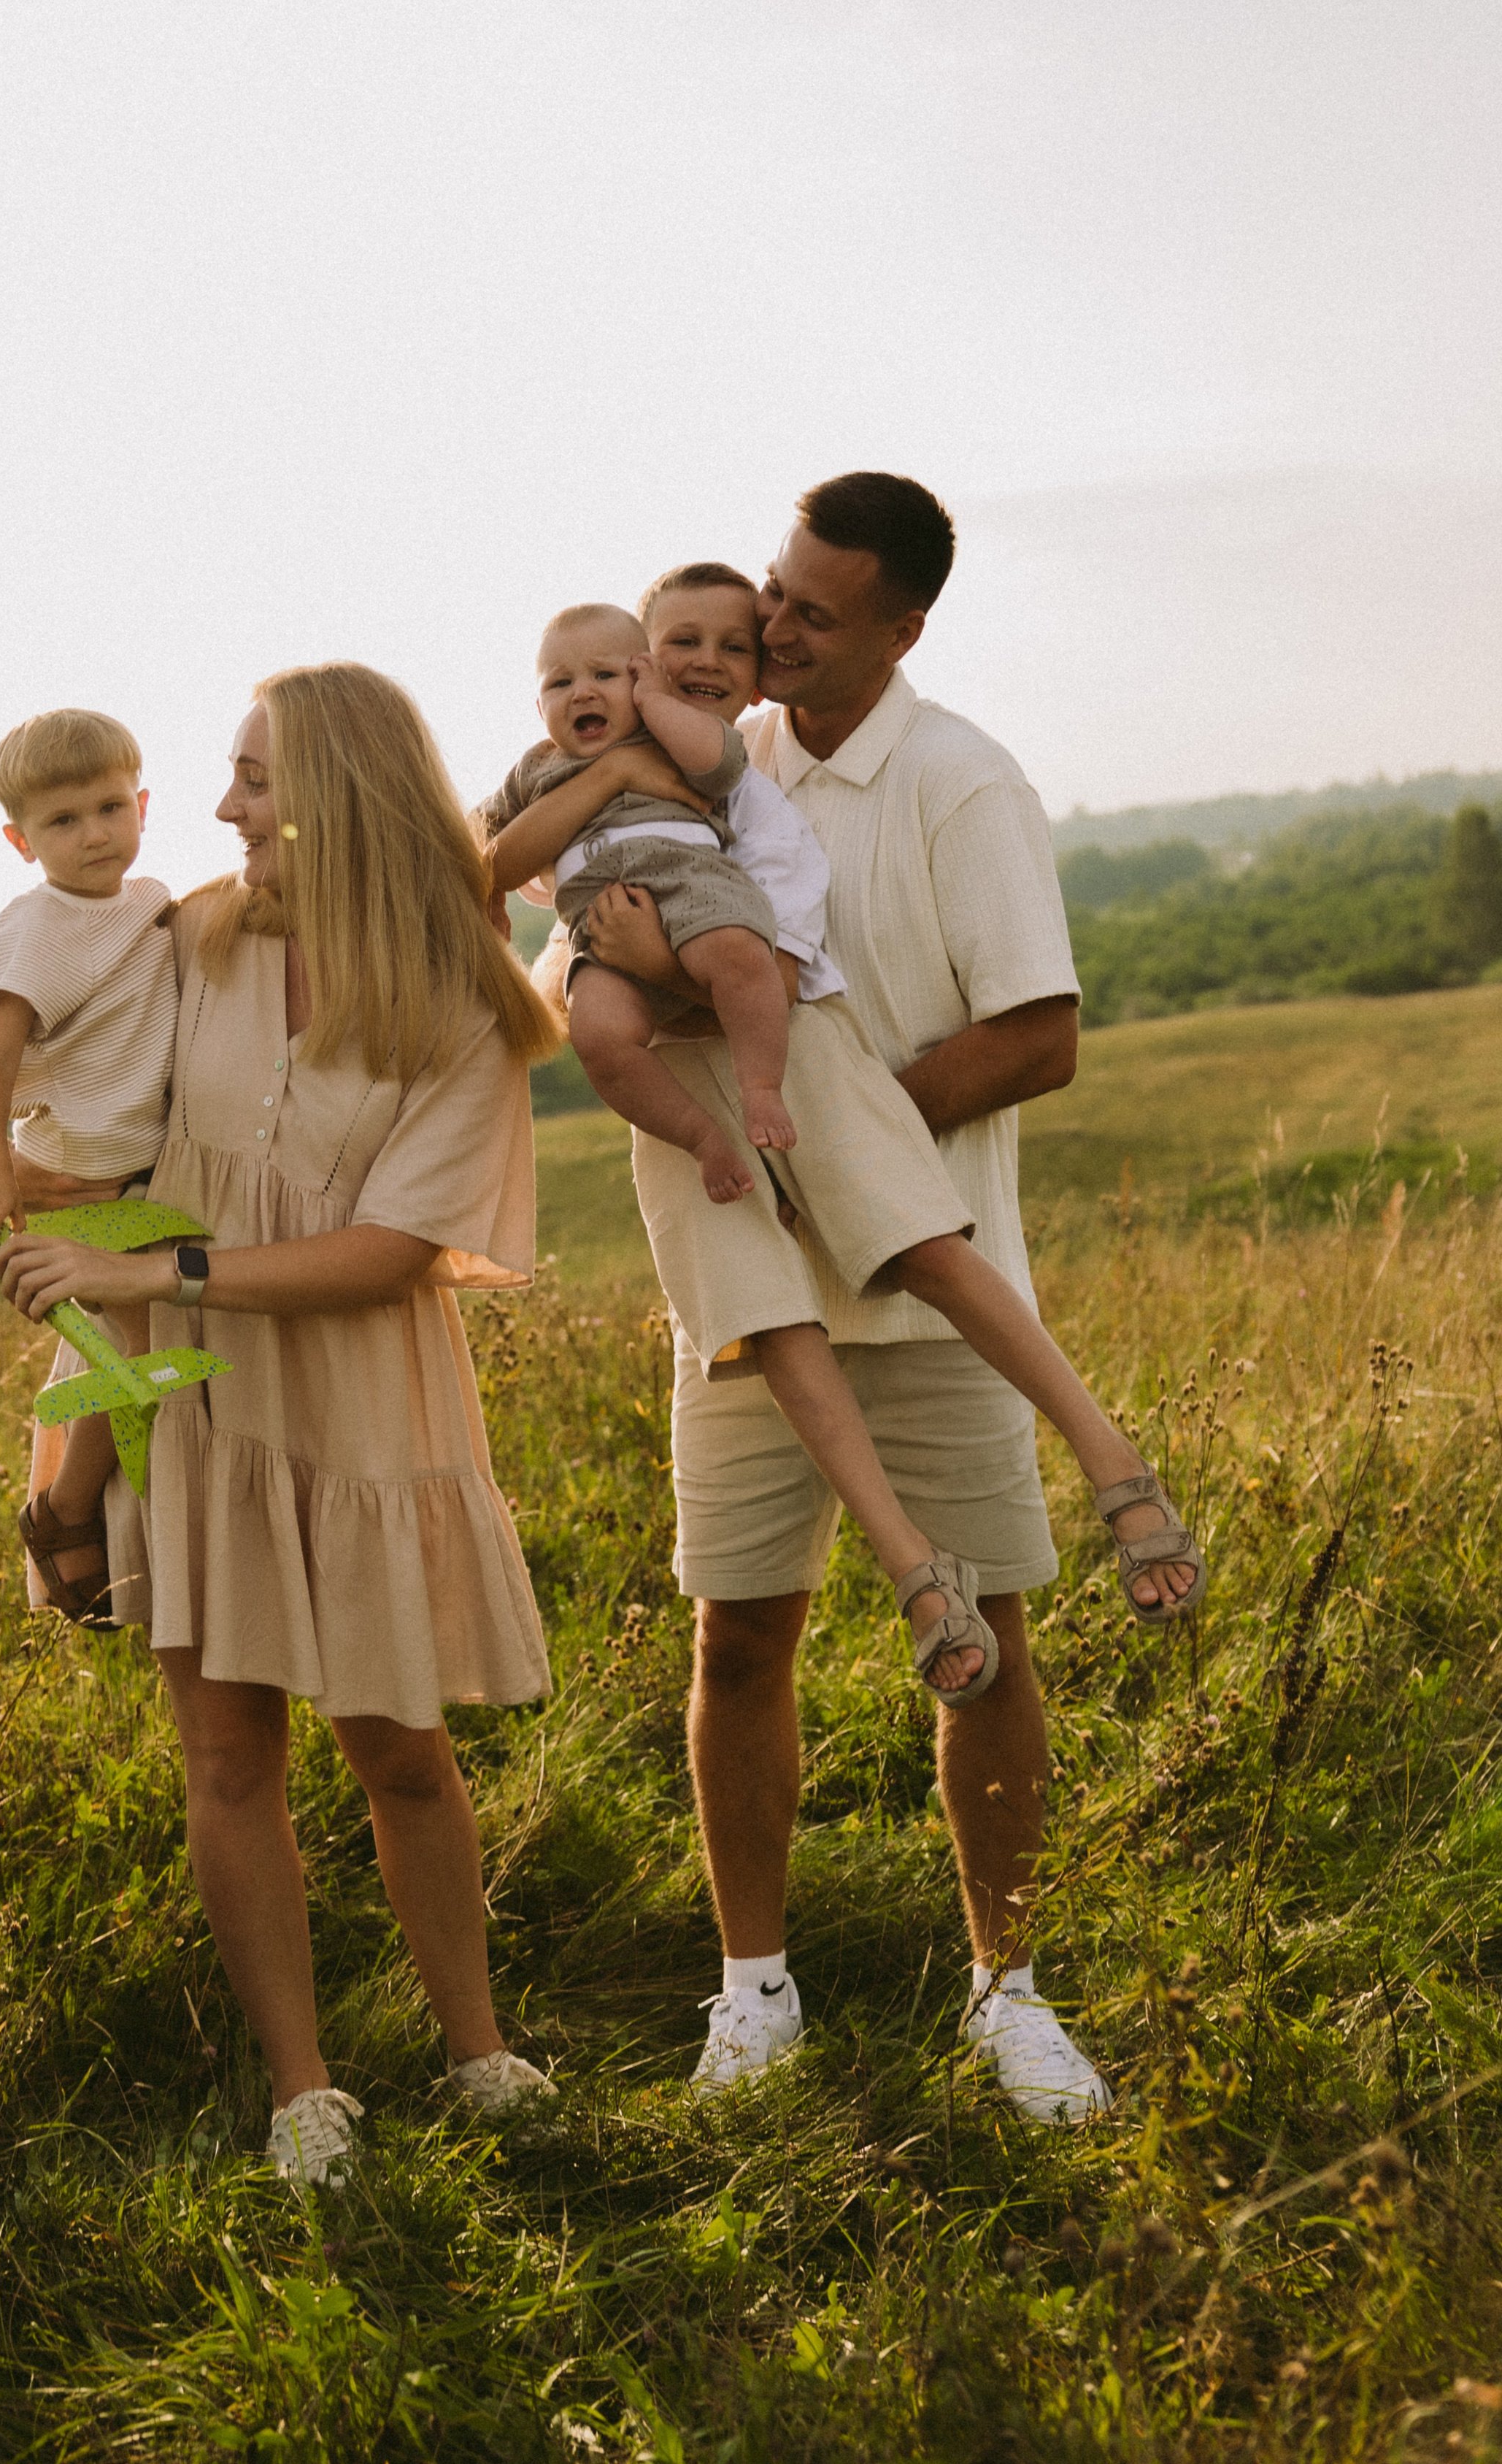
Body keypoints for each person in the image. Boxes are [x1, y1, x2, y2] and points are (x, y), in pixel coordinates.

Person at [586, 477, 1203, 2122]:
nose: (773, 628)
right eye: (770, 594)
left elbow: (1037, 1034)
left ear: (902, 628)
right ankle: (753, 1991)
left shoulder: (958, 781)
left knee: (989, 1641)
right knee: (735, 1640)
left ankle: (1007, 1988)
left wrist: (842, 1150)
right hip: (737, 1295)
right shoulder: (711, 744)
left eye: (811, 612)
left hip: (929, 1296)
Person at [0, 663, 562, 2186]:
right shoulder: (197, 937)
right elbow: (90, 1120)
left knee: (399, 1748)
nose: (223, 807)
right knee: (227, 1753)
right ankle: (304, 2087)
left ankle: (475, 2044)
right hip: (187, 1395)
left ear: (336, 797)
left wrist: (147, 1261)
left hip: (362, 1395)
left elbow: (389, 1252)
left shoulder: (459, 994)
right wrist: (60, 1429)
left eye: (252, 779)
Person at [517, 561, 1206, 1726]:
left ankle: (1112, 1460)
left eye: (735, 645)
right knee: (761, 1381)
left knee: (923, 1242)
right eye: (667, 645)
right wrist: (601, 858)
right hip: (694, 1114)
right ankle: (913, 1574)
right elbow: (551, 947)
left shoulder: (753, 785)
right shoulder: (579, 773)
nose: (714, 658)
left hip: (785, 1046)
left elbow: (776, 961)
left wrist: (647, 944)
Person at [0, 708, 178, 1627]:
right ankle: (65, 1508)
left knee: (158, 1339)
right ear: (20, 840)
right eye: (61, 820)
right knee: (142, 1340)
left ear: (141, 804)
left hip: (148, 1176)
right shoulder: (39, 924)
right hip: (81, 1178)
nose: (94, 832)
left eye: (109, 806)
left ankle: (87, 1502)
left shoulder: (153, 899)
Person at [480, 602, 798, 1189]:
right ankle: (701, 1137)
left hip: (696, 890)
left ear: (643, 676)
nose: (582, 693)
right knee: (598, 1035)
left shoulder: (669, 733)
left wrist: (660, 703)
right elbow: (492, 861)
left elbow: (721, 763)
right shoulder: (534, 772)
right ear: (538, 705)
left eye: (605, 676)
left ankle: (761, 1088)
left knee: (742, 956)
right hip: (597, 927)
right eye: (561, 682)